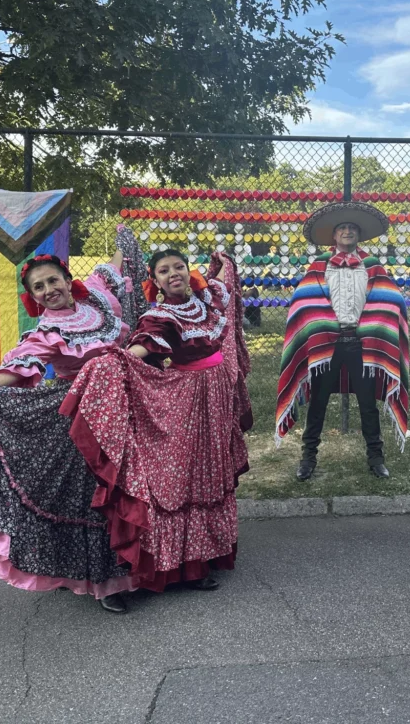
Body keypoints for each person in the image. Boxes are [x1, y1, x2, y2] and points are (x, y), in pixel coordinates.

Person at [0, 226, 146, 613]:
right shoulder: (45, 331)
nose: (48, 290)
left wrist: (124, 237)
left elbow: (114, 267)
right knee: (93, 493)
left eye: (52, 280)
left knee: (136, 484)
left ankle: (152, 564)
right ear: (33, 297)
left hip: (128, 400)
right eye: (38, 287)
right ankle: (107, 583)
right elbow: (18, 370)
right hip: (82, 411)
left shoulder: (100, 302)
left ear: (67, 280)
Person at [61, 249, 252, 593]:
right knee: (186, 476)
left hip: (217, 401)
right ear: (156, 281)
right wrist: (112, 361)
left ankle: (204, 556)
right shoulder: (160, 316)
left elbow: (224, 285)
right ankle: (186, 568)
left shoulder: (206, 300)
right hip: (187, 402)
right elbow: (142, 348)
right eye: (164, 271)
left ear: (188, 271)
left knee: (210, 470)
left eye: (179, 266)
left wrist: (221, 263)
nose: (173, 273)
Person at [276, 201, 410, 481]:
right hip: (327, 343)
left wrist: (374, 322)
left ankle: (376, 458)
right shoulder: (319, 267)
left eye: (352, 228)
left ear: (358, 235)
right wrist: (320, 323)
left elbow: (393, 298)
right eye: (342, 228)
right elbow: (303, 301)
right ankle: (308, 458)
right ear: (334, 236)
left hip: (362, 344)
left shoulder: (372, 266)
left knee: (367, 404)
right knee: (318, 402)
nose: (347, 232)